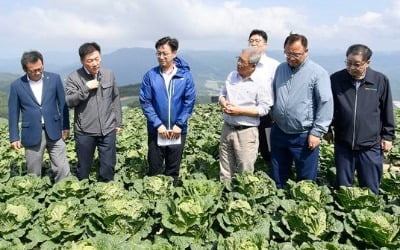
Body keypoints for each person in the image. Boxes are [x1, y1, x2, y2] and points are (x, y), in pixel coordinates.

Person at [327, 44, 395, 194]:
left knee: (370, 189)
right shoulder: (336, 79)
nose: (351, 67)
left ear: (367, 63)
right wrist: (327, 129)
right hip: (343, 144)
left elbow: (387, 110)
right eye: (348, 63)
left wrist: (388, 136)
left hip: (370, 145)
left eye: (357, 64)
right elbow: (329, 107)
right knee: (343, 190)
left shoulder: (380, 80)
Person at [270, 33, 333, 188]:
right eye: (288, 53)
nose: (291, 57)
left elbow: (325, 103)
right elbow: (274, 92)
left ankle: (302, 207)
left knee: (305, 181)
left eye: (296, 54)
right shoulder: (281, 68)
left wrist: (317, 132)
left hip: (303, 135)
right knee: (278, 175)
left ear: (306, 51)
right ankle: (277, 206)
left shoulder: (318, 73)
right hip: (279, 131)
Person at [139, 36, 196, 186]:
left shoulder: (184, 76)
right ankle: (154, 203)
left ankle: (171, 199)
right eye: (158, 53)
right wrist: (158, 125)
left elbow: (189, 102)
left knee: (173, 168)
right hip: (156, 131)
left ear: (174, 53)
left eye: (165, 53)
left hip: (177, 131)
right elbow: (146, 102)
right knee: (155, 168)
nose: (161, 57)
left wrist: (179, 124)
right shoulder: (150, 76)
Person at [8, 50, 70, 183]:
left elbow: (62, 103)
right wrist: (14, 137)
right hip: (31, 133)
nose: (37, 72)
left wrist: (65, 126)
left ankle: (63, 192)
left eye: (40, 69)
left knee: (62, 167)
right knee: (34, 172)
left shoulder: (54, 79)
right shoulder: (17, 86)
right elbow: (13, 113)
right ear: (26, 69)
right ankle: (36, 198)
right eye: (33, 70)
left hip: (55, 129)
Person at [65, 42, 122, 182]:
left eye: (97, 59)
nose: (95, 63)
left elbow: (115, 98)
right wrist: (85, 88)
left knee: (108, 166)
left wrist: (118, 122)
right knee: (84, 168)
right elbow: (69, 101)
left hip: (107, 129)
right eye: (90, 61)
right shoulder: (74, 77)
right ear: (82, 61)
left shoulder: (109, 74)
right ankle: (83, 196)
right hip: (85, 132)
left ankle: (105, 192)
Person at [219, 47, 271, 181]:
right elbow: (222, 94)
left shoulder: (261, 82)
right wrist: (223, 102)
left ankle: (242, 199)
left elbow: (264, 109)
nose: (238, 64)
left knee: (245, 171)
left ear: (253, 66)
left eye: (242, 62)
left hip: (246, 132)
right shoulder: (232, 76)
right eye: (238, 59)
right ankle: (225, 195)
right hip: (227, 128)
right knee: (225, 169)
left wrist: (240, 111)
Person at [247, 29, 280, 166]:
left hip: (268, 113)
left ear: (265, 45)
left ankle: (271, 172)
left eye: (257, 41)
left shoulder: (274, 65)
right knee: (248, 147)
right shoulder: (245, 62)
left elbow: (279, 89)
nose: (253, 43)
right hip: (248, 111)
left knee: (269, 148)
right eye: (251, 41)